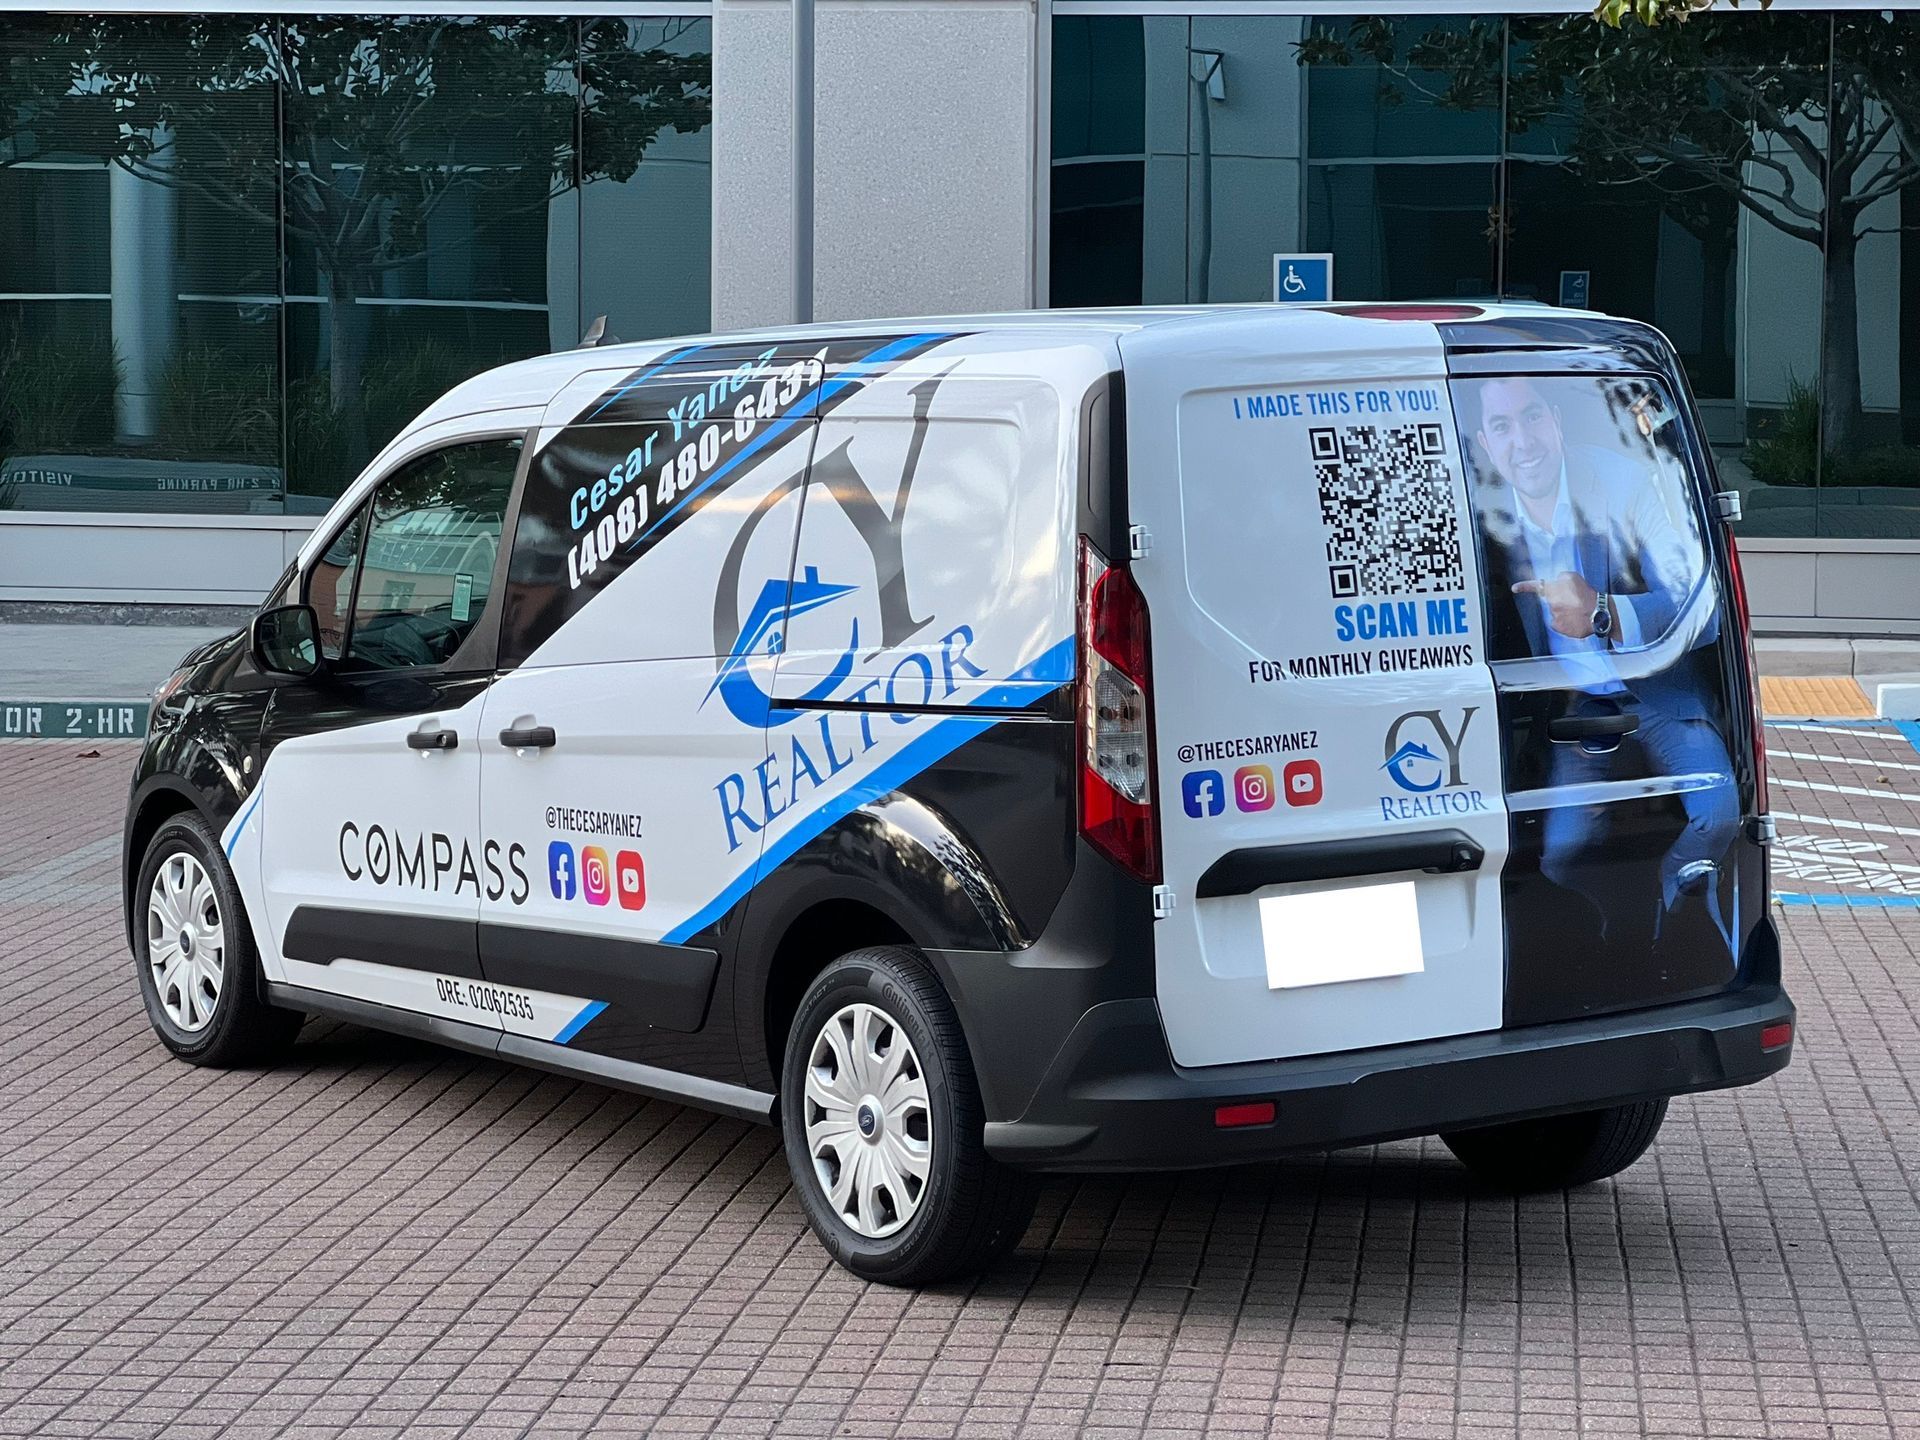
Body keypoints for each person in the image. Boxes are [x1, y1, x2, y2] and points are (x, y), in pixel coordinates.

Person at [1467, 375, 1737, 946]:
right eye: (1501, 426)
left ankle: (1672, 899)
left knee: (1717, 815)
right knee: (1558, 857)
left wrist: (1603, 612)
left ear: (1557, 423)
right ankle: (1623, 917)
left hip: (1656, 690)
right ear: (1486, 444)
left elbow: (1699, 608)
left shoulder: (1625, 484)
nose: (1524, 440)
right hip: (1575, 709)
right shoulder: (1478, 511)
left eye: (1533, 416)